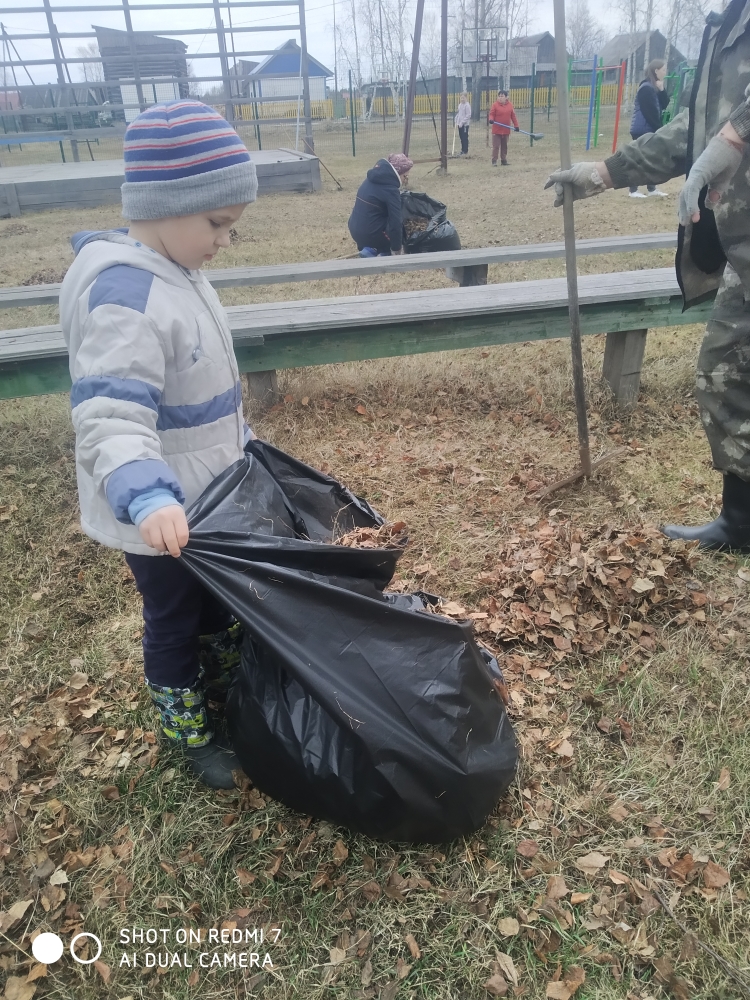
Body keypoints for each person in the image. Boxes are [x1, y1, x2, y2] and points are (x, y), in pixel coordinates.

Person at [59, 100, 258, 788]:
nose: (223, 241)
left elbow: (203, 388)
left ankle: (228, 692)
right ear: (170, 205)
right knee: (174, 618)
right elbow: (111, 415)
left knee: (219, 604)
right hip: (160, 515)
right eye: (217, 224)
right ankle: (186, 730)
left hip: (206, 497)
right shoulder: (127, 296)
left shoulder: (180, 273)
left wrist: (245, 444)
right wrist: (146, 496)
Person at [544, 0, 750, 551]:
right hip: (742, 243)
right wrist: (604, 173)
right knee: (726, 371)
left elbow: (725, 130)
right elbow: (691, 129)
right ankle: (742, 523)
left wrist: (729, 143)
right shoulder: (725, 26)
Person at [348, 153, 413, 256]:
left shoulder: (370, 179)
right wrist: (397, 250)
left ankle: (368, 248)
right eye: (405, 176)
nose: (405, 179)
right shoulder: (391, 190)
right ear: (397, 173)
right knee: (396, 223)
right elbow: (396, 223)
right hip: (370, 234)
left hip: (354, 229)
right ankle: (382, 252)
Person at [628, 59, 670, 198]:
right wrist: (659, 129)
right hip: (642, 129)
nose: (665, 72)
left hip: (648, 128)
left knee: (651, 158)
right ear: (656, 71)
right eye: (663, 69)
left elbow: (664, 105)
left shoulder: (653, 87)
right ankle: (633, 190)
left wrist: (662, 89)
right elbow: (650, 112)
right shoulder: (646, 88)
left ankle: (652, 189)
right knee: (639, 159)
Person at [488, 90, 519, 166]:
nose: (500, 98)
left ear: (506, 97)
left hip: (506, 130)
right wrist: (491, 119)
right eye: (499, 96)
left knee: (504, 146)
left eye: (502, 96)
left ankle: (503, 160)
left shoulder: (510, 105)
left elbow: (513, 116)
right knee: (496, 146)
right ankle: (494, 161)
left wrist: (516, 125)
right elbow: (491, 114)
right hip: (497, 129)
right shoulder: (495, 105)